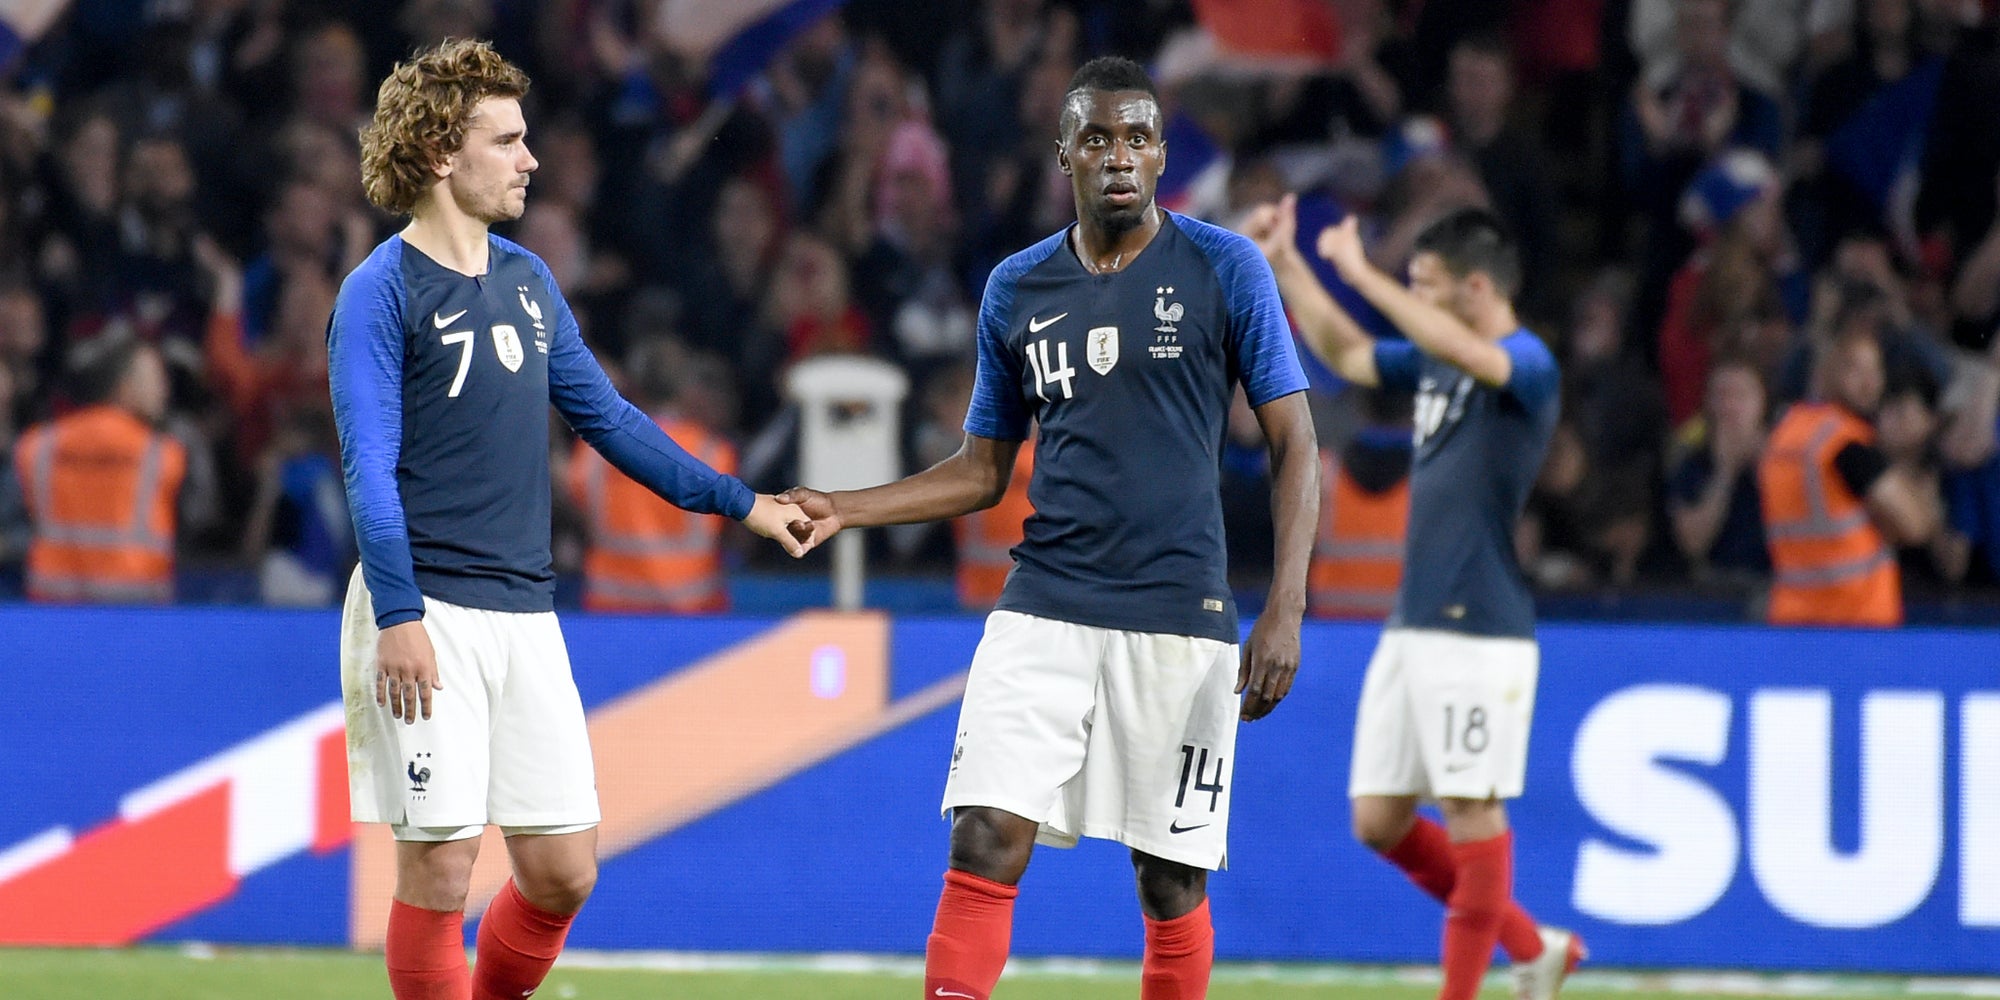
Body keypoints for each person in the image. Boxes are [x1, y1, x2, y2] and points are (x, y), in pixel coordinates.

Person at [778, 56, 1318, 1000]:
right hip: (1043, 608)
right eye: (1099, 138)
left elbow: (1297, 445)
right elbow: (984, 470)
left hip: (1180, 615)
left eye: (1140, 138)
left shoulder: (1225, 266)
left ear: (1159, 155)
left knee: (1169, 879)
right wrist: (848, 507)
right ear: (1064, 152)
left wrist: (1285, 608)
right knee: (985, 834)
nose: (1120, 156)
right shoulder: (1015, 289)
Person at [329, 40, 808, 1000]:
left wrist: (741, 501)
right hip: (427, 611)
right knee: (441, 870)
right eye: (506, 140)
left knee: (562, 872)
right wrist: (399, 616)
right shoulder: (379, 291)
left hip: (527, 614)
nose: (529, 159)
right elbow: (367, 468)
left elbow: (613, 422)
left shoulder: (529, 283)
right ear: (438, 155)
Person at [1244, 197, 1582, 1000]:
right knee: (1379, 821)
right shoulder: (1439, 361)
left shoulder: (1528, 364)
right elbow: (1353, 353)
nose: (1415, 299)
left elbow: (1478, 355)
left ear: (1474, 287)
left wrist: (1363, 271)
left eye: (1426, 285)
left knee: (1472, 813)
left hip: (1481, 630)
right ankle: (1535, 948)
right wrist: (1287, 264)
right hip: (1414, 626)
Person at [1758, 327, 1940, 626]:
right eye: (1854, 368)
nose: (1870, 382)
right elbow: (1915, 524)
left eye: (1875, 369)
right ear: (1824, 372)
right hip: (1855, 619)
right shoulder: (1846, 445)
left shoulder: (1785, 434)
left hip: (1792, 616)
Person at [14, 335, 183, 603]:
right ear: (124, 387)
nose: (164, 390)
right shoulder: (163, 455)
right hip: (137, 615)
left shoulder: (37, 447)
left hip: (51, 614)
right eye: (155, 379)